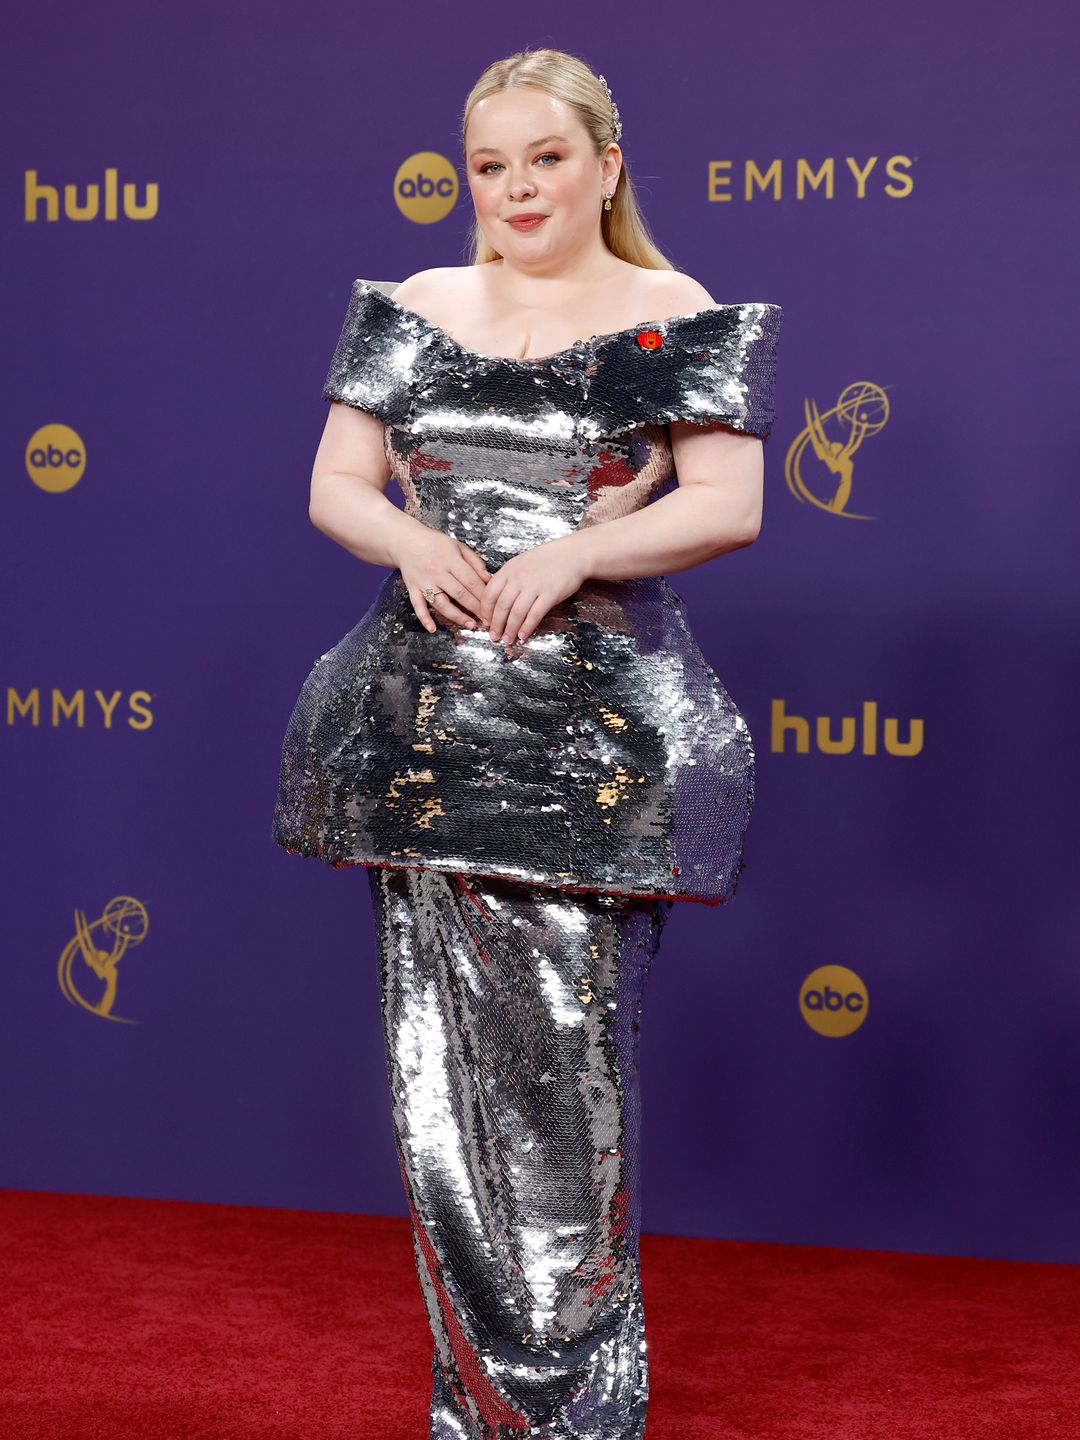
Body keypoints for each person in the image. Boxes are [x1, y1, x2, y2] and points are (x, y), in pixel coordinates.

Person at [273, 45, 782, 1440]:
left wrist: (579, 553)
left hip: (586, 734)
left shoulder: (669, 306)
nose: (515, 188)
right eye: (490, 165)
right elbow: (336, 480)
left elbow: (729, 502)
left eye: (544, 159)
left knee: (563, 1073)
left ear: (605, 165)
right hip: (423, 725)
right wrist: (408, 535)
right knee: (439, 1086)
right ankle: (486, 1405)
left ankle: (575, 1406)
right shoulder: (417, 302)